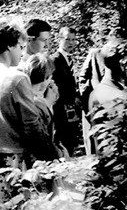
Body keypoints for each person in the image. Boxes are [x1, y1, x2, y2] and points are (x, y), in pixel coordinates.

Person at [0, 18, 57, 201]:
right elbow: (32, 126)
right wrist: (53, 157)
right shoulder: (17, 78)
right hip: (14, 163)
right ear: (10, 46)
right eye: (21, 46)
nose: (22, 53)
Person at [50, 27, 81, 156]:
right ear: (59, 39)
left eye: (73, 40)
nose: (71, 43)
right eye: (67, 39)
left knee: (71, 141)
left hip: (71, 109)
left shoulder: (70, 59)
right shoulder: (54, 60)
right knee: (62, 140)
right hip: (60, 108)